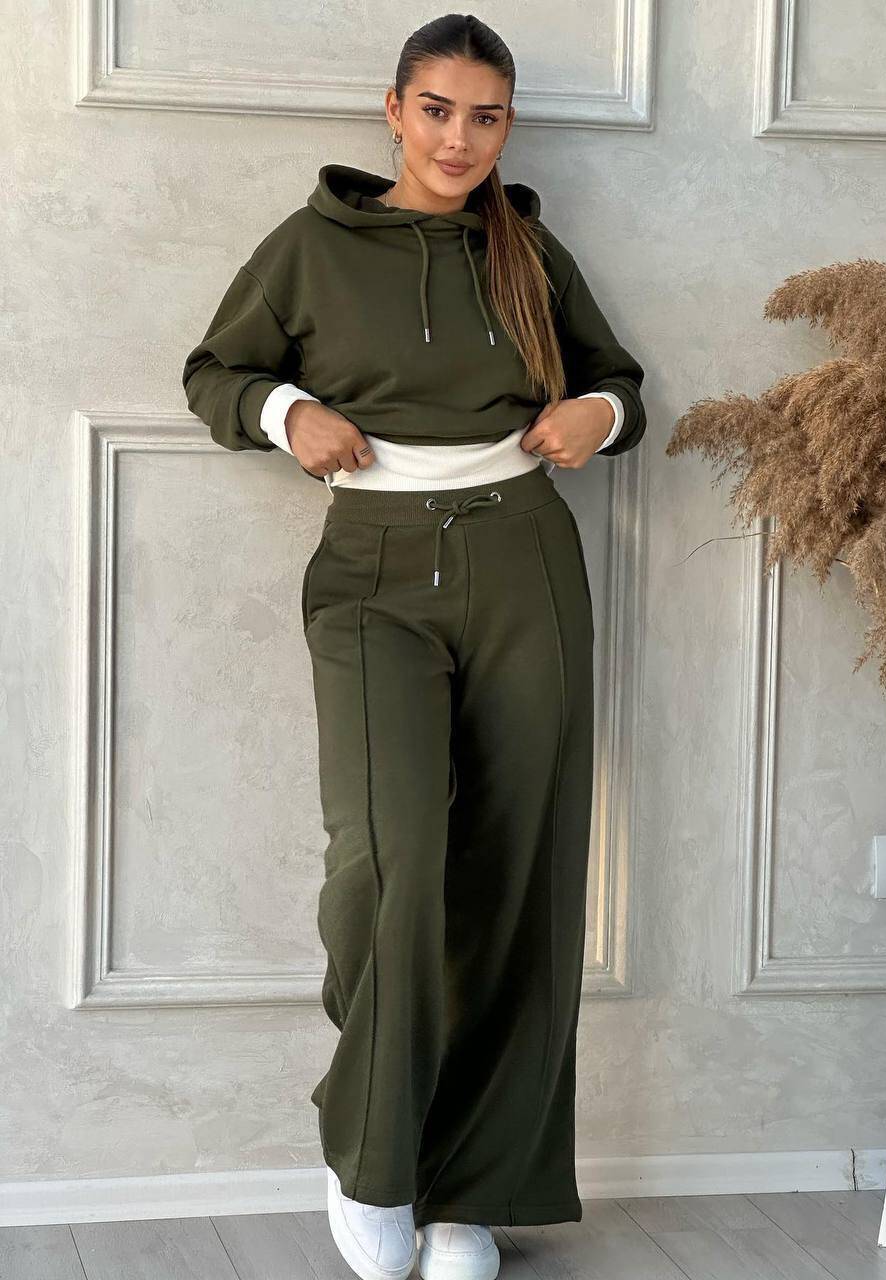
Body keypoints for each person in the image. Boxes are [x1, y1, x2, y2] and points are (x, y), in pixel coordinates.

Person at [181, 14, 646, 1280]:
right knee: (386, 863)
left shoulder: (527, 250)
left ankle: (467, 1188)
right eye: (437, 110)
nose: (458, 138)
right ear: (393, 111)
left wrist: (597, 415)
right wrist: (287, 410)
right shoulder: (311, 246)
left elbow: (619, 379)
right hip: (372, 573)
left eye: (485, 115)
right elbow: (215, 371)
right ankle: (370, 1150)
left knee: (514, 871)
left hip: (523, 557)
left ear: (507, 126)